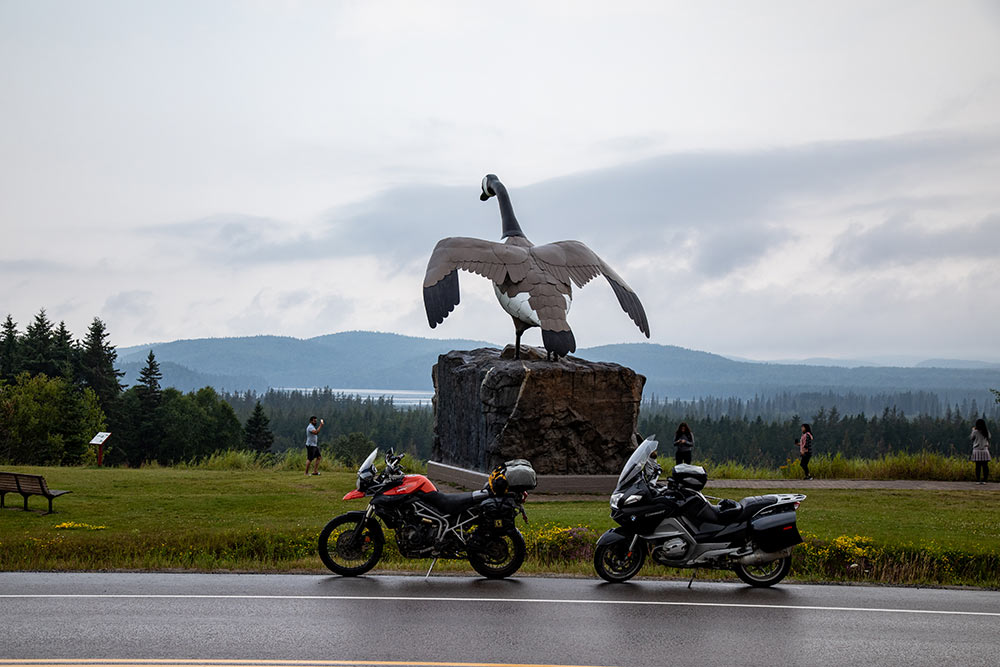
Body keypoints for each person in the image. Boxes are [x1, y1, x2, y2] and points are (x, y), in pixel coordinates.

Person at [970, 418, 991, 485]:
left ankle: (978, 479)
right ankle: (985, 479)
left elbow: (972, 438)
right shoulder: (986, 431)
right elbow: (989, 437)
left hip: (977, 450)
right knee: (985, 466)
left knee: (978, 466)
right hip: (985, 450)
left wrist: (973, 430)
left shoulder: (975, 432)